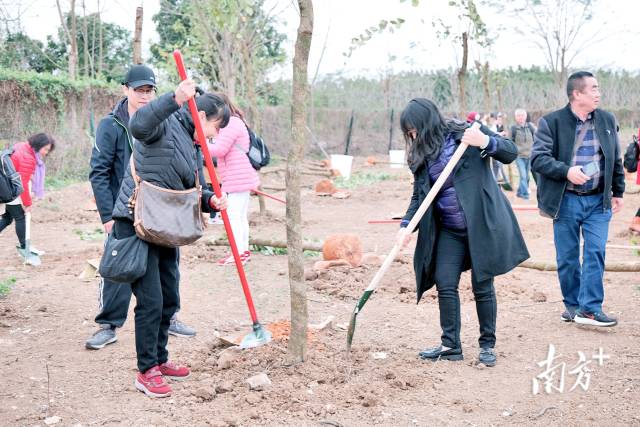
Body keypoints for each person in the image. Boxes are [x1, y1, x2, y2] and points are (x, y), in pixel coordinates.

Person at [110, 79, 228, 398]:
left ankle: (160, 360)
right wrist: (174, 98)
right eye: (216, 126)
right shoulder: (165, 120)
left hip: (167, 226)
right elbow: (139, 125)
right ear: (201, 116)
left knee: (169, 298)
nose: (216, 135)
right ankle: (146, 370)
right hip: (140, 224)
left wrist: (210, 201)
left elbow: (194, 187)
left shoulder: (192, 145)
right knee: (151, 301)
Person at [397, 99, 529, 367]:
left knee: (482, 285)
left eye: (414, 130)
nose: (412, 136)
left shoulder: (465, 132)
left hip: (481, 224)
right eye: (408, 132)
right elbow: (418, 196)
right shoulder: (420, 156)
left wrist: (485, 142)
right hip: (449, 228)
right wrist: (406, 226)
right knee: (444, 281)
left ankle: (487, 345)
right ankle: (451, 345)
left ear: (427, 122)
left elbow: (510, 152)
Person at [86, 65, 196, 351]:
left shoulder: (166, 117)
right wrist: (107, 215)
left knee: (168, 270)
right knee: (120, 268)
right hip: (124, 211)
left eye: (150, 90)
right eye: (139, 91)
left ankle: (169, 317)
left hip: (159, 211)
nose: (145, 96)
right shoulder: (111, 125)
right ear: (126, 90)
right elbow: (99, 172)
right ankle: (108, 324)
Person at [531, 71, 625, 327]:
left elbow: (614, 158)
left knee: (596, 252)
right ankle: (573, 306)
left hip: (598, 201)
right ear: (577, 94)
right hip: (566, 200)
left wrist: (618, 191)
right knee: (568, 258)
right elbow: (538, 159)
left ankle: (591, 309)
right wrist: (566, 171)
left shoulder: (607, 119)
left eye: (598, 88)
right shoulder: (551, 122)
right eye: (593, 88)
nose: (598, 93)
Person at [206, 93, 260, 266]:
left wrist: (200, 143)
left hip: (238, 176)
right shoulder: (234, 121)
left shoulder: (231, 122)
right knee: (239, 216)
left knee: (233, 216)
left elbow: (220, 149)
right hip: (239, 176)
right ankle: (242, 252)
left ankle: (238, 254)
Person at [0, 133, 55, 258]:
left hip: (4, 184)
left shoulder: (22, 145)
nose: (46, 152)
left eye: (48, 150)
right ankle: (25, 248)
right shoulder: (29, 158)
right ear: (39, 145)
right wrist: (28, 203)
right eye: (46, 149)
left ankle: (25, 247)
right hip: (9, 189)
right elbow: (23, 183)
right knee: (20, 217)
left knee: (7, 218)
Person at [510, 109, 536, 199]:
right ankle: (525, 195)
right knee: (523, 176)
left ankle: (519, 192)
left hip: (530, 155)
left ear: (525, 116)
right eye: (519, 115)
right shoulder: (513, 128)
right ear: (516, 117)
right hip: (519, 156)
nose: (521, 117)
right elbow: (511, 142)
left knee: (527, 176)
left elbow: (536, 139)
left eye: (522, 115)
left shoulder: (531, 127)